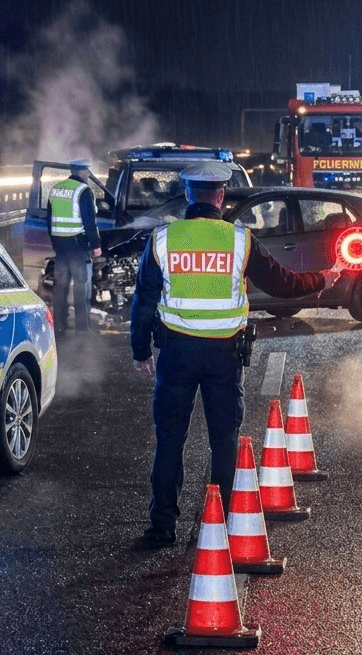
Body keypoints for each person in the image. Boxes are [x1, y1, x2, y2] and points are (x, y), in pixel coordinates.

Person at [130, 162, 337, 548]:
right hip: (223, 356)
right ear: (221, 196)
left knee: (170, 439)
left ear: (188, 194)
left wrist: (141, 350)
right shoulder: (240, 240)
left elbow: (143, 300)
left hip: (176, 353)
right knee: (224, 440)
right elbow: (281, 284)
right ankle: (223, 524)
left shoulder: (163, 239)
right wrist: (322, 279)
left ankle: (161, 527)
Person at [48, 158, 102, 335]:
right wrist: (96, 245)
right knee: (81, 286)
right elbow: (89, 221)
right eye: (87, 171)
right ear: (82, 172)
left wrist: (55, 243)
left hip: (60, 248)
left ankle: (59, 327)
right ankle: (82, 329)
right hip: (78, 247)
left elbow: (49, 221)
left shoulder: (56, 189)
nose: (89, 174)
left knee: (60, 287)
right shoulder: (83, 190)